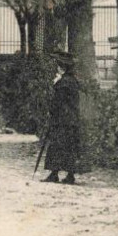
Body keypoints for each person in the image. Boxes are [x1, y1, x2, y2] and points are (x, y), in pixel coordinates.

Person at [43, 51, 82, 185]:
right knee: (69, 146)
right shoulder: (73, 81)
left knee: (58, 145)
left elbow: (57, 103)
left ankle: (55, 174)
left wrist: (56, 84)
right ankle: (68, 175)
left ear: (62, 68)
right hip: (71, 119)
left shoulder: (63, 83)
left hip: (62, 120)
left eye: (58, 65)